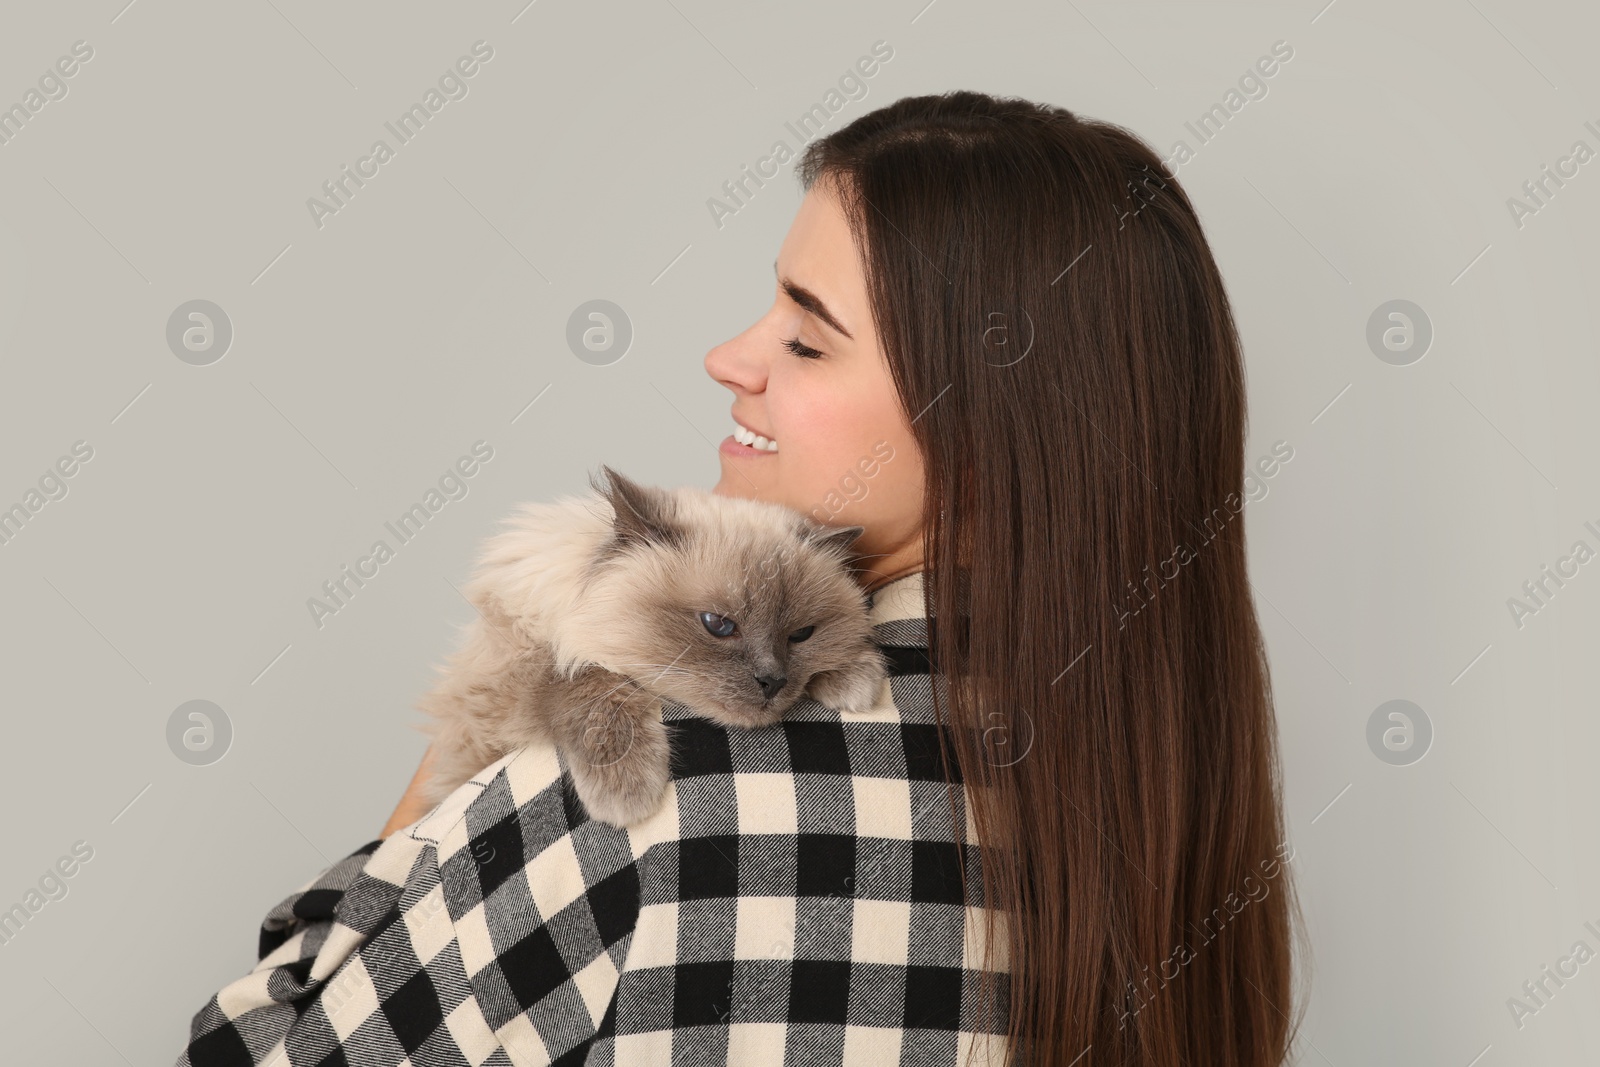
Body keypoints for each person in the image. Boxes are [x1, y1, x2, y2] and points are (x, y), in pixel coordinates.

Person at [177, 90, 1303, 1067]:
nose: (731, 357)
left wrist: (486, 717)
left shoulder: (635, 787)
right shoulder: (1168, 793)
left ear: (992, 421)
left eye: (807, 341)